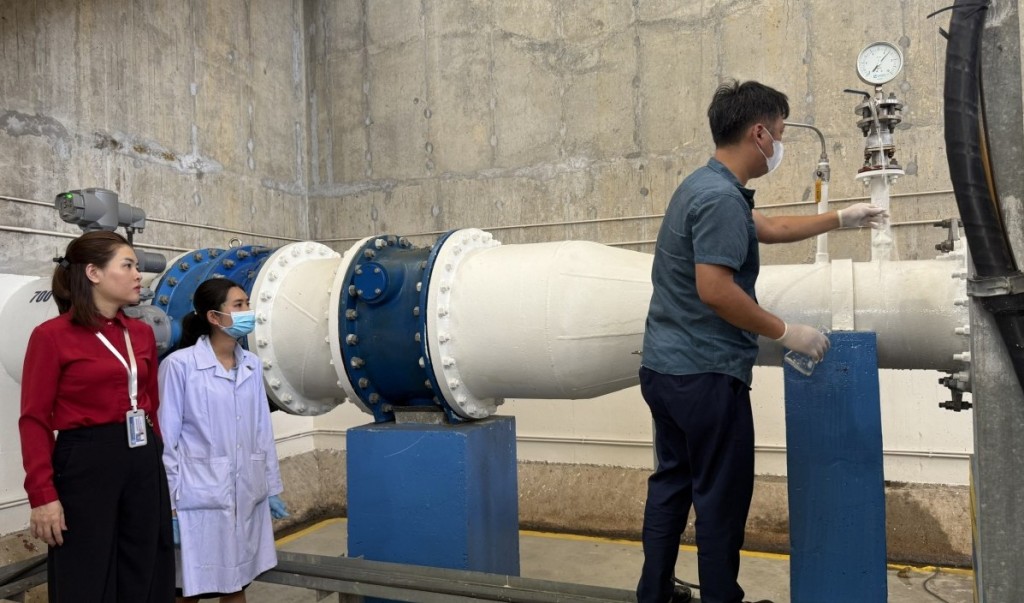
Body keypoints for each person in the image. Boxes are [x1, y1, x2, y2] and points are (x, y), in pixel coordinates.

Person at [637, 79, 887, 603]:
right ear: (758, 134)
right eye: (779, 132)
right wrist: (786, 331)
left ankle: (654, 593)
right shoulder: (720, 199)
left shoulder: (702, 185)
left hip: (665, 370)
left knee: (672, 484)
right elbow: (715, 290)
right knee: (720, 500)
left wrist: (840, 218)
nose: (780, 143)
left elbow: (769, 228)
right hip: (706, 376)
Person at [19, 230, 175, 602]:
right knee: (86, 572)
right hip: (86, 461)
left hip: (142, 456)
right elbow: (34, 420)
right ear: (94, 273)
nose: (138, 275)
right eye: (128, 265)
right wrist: (42, 495)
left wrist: (159, 464)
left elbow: (151, 403)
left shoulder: (140, 333)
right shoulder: (51, 336)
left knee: (146, 565)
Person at [158, 278, 288, 603]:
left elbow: (262, 431)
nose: (248, 311)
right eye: (239, 305)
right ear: (214, 317)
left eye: (247, 304)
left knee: (236, 584)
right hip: (195, 498)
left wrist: (270, 487)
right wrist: (168, 504)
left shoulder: (251, 365)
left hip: (245, 493)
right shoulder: (179, 366)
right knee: (187, 589)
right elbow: (166, 439)